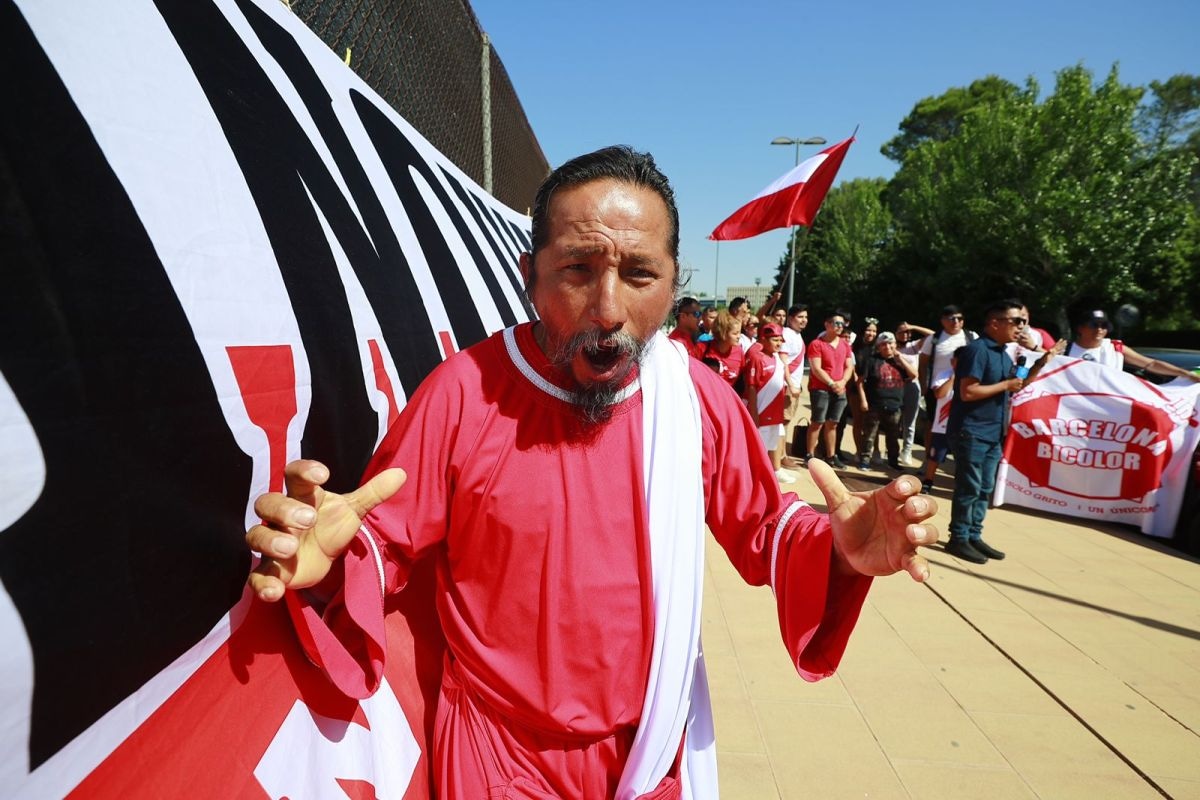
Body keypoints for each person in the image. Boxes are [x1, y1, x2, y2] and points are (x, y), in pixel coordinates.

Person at [245, 145, 939, 798]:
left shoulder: (695, 400)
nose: (608, 310)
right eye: (577, 270)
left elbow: (765, 527)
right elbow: (378, 541)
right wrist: (328, 557)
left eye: (639, 275)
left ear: (673, 283)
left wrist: (841, 550)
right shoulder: (463, 393)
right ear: (529, 276)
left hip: (648, 754)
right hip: (497, 755)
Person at [945, 300, 1052, 564]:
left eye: (1023, 322)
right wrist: (1005, 384)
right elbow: (968, 392)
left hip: (993, 432)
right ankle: (958, 538)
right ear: (995, 323)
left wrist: (1041, 362)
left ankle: (973, 535)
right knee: (968, 487)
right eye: (1016, 321)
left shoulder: (1004, 354)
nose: (1021, 327)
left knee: (985, 488)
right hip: (971, 431)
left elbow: (1016, 386)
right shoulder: (977, 351)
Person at [1067, 309, 1200, 382]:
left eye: (1104, 325)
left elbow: (1151, 364)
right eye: (1093, 325)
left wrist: (1186, 374)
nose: (1099, 329)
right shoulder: (1065, 350)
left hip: (1108, 409)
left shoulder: (1115, 349)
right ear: (1080, 328)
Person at [744, 322, 799, 484]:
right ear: (764, 339)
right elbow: (752, 387)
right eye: (774, 340)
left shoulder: (778, 359)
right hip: (761, 411)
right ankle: (754, 476)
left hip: (775, 412)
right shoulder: (757, 357)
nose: (779, 343)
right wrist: (754, 413)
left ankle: (773, 472)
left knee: (773, 443)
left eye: (780, 340)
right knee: (758, 447)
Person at [855, 332, 914, 472]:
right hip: (875, 403)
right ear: (878, 347)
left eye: (890, 343)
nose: (887, 347)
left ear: (895, 344)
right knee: (869, 435)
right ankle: (865, 460)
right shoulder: (871, 360)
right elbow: (860, 382)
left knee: (893, 437)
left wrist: (900, 358)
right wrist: (863, 400)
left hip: (895, 405)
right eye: (883, 344)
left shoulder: (900, 362)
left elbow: (914, 375)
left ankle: (893, 461)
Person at [805, 311, 854, 468]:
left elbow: (849, 366)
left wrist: (843, 381)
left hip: (840, 390)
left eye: (842, 324)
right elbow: (816, 368)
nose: (840, 327)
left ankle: (831, 456)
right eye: (836, 323)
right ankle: (810, 455)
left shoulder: (845, 345)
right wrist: (832, 383)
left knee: (833, 423)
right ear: (827, 324)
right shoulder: (816, 344)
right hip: (821, 389)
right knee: (817, 422)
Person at [919, 346, 960, 495]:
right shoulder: (944, 374)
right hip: (942, 425)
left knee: (962, 459)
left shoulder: (972, 378)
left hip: (961, 426)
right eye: (958, 361)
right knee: (935, 456)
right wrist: (954, 377)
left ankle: (959, 486)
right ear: (952, 361)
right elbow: (939, 394)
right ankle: (928, 481)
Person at [895, 321, 933, 466]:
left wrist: (913, 326)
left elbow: (934, 335)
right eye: (901, 331)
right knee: (893, 420)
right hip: (894, 386)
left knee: (910, 421)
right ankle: (891, 450)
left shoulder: (913, 347)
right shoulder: (891, 346)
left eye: (907, 332)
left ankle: (907, 451)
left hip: (911, 386)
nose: (905, 334)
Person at [701, 308, 745, 388]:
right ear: (723, 333)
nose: (739, 337)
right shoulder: (703, 348)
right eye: (735, 333)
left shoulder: (739, 351)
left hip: (728, 398)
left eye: (739, 333)